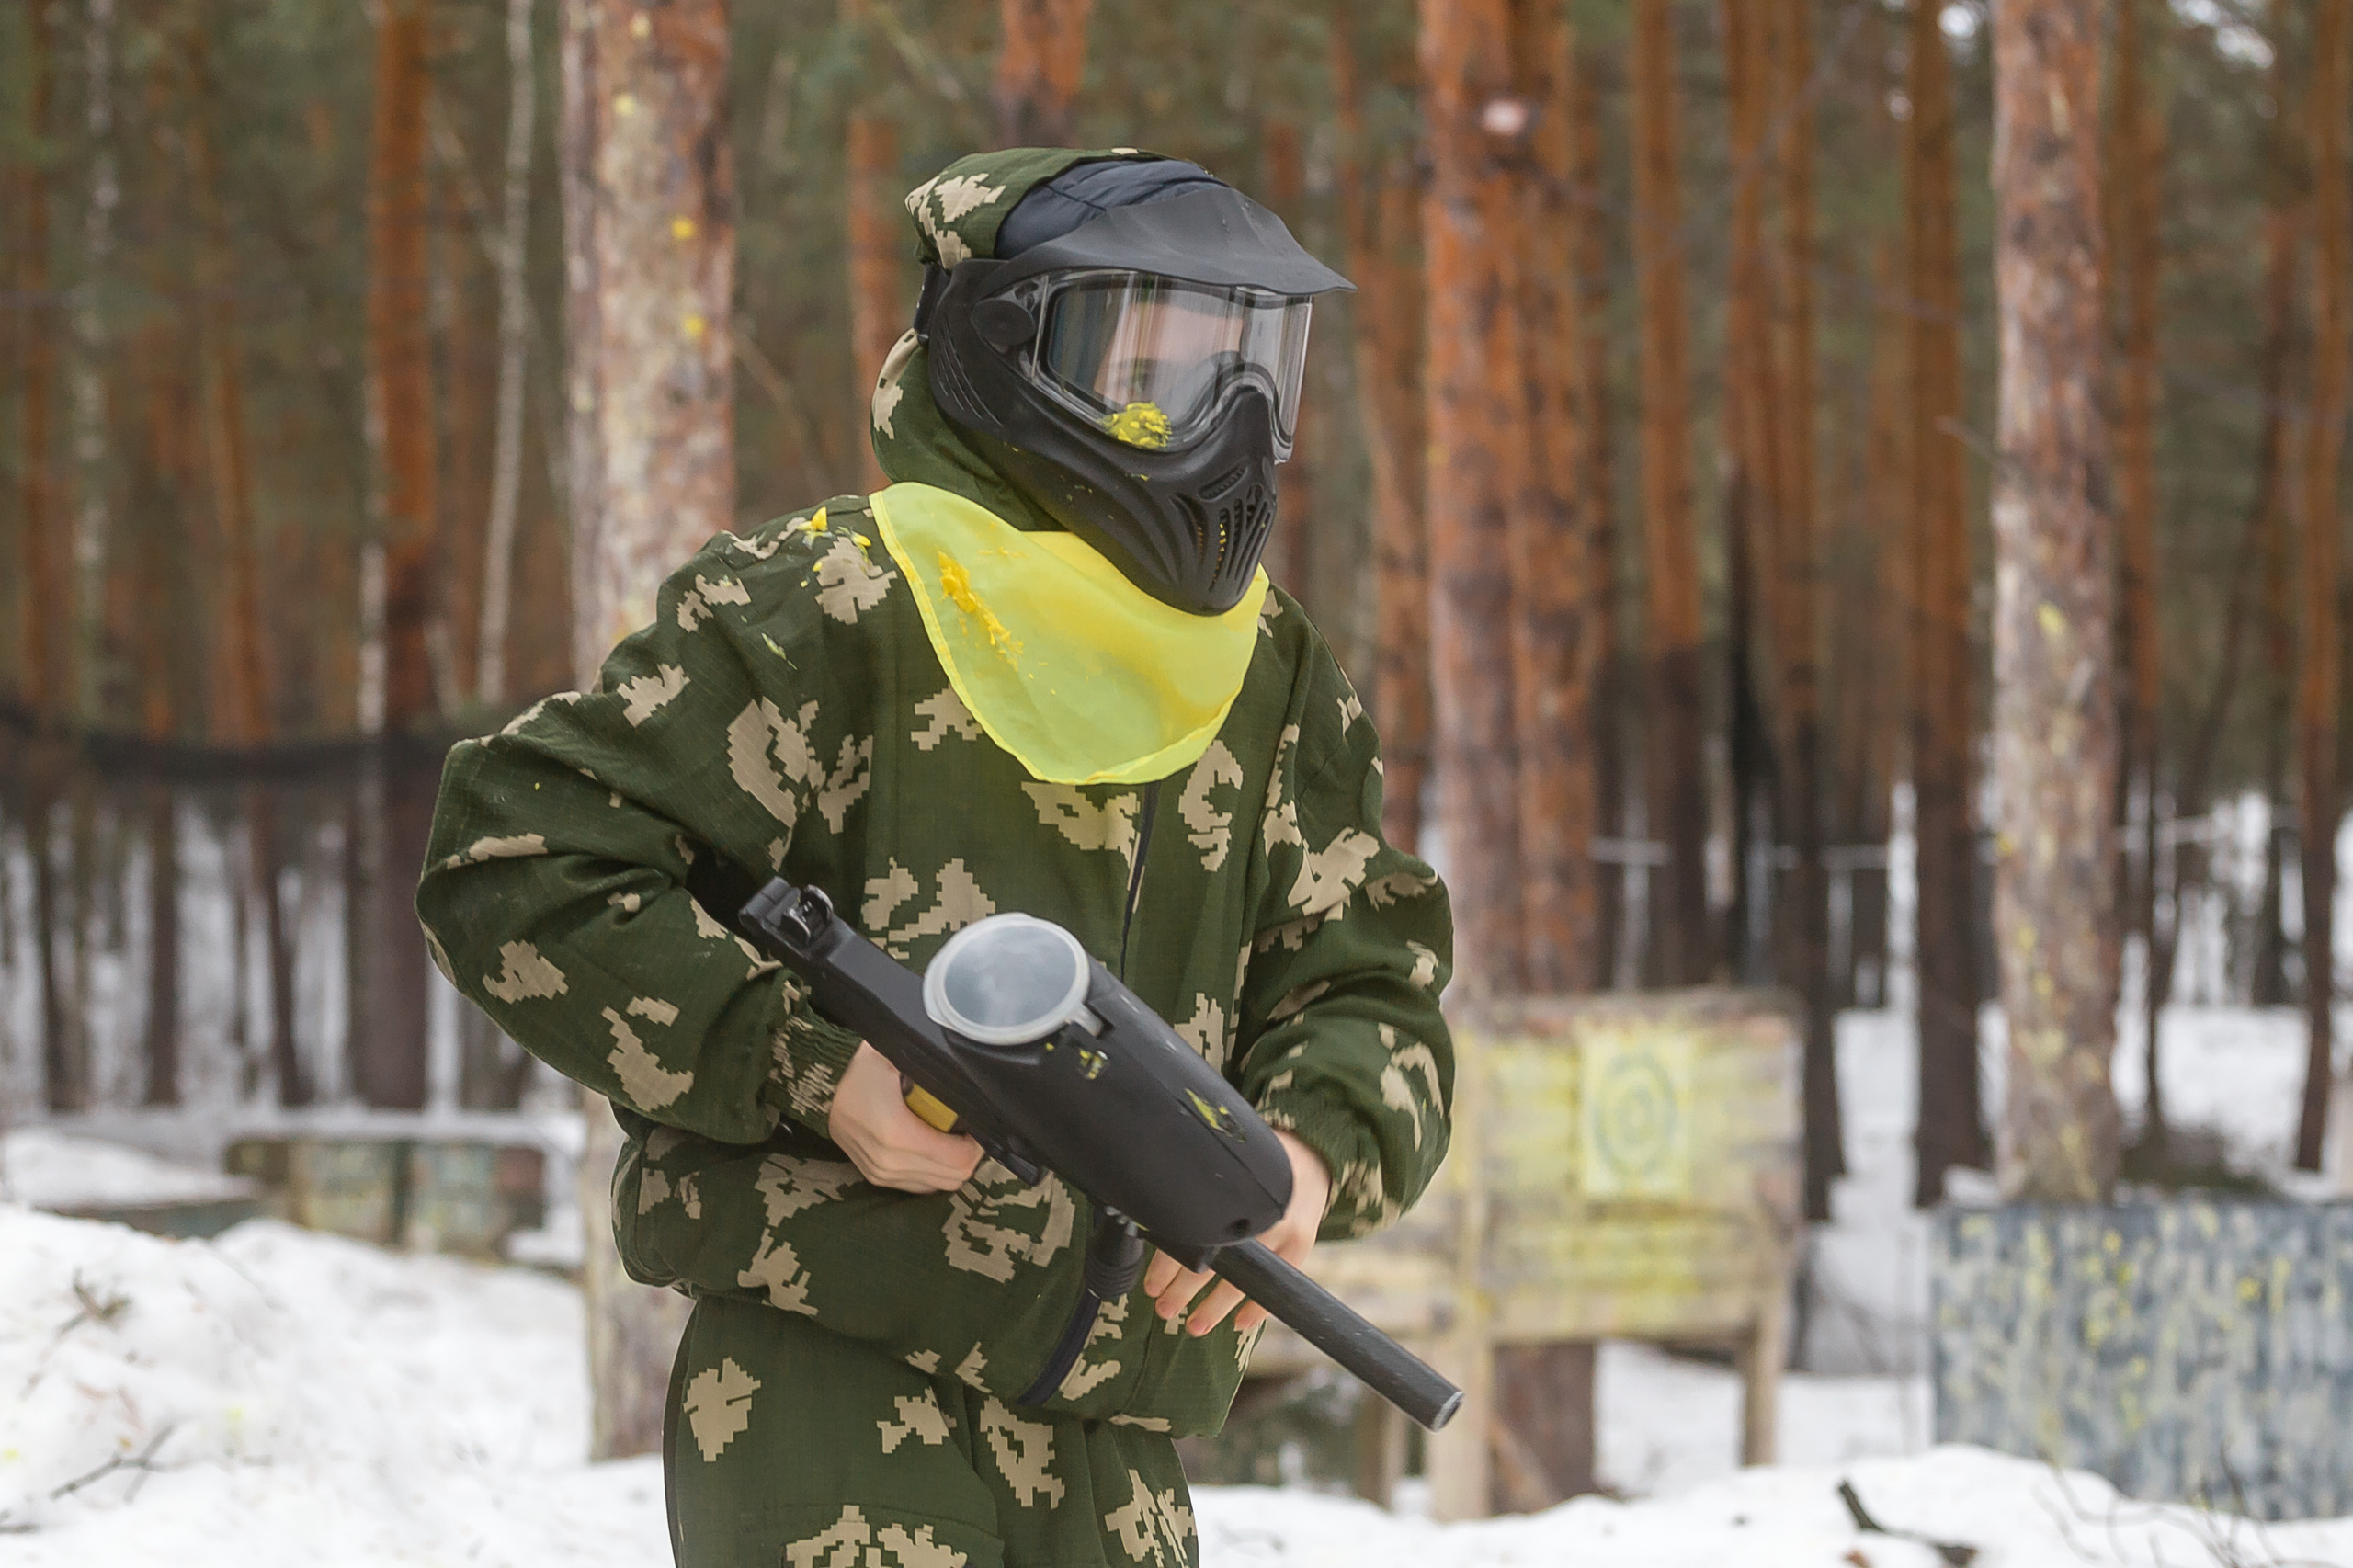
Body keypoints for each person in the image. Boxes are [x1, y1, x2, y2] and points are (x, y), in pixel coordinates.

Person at [416, 146, 1454, 1568]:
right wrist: (808, 1067)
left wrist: (1312, 1152)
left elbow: (1373, 982)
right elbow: (515, 856)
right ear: (1006, 346)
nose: (1226, 418)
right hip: (833, 1392)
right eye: (1157, 367)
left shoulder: (1268, 675)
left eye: (1254, 366)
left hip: (1121, 1431)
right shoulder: (826, 606)